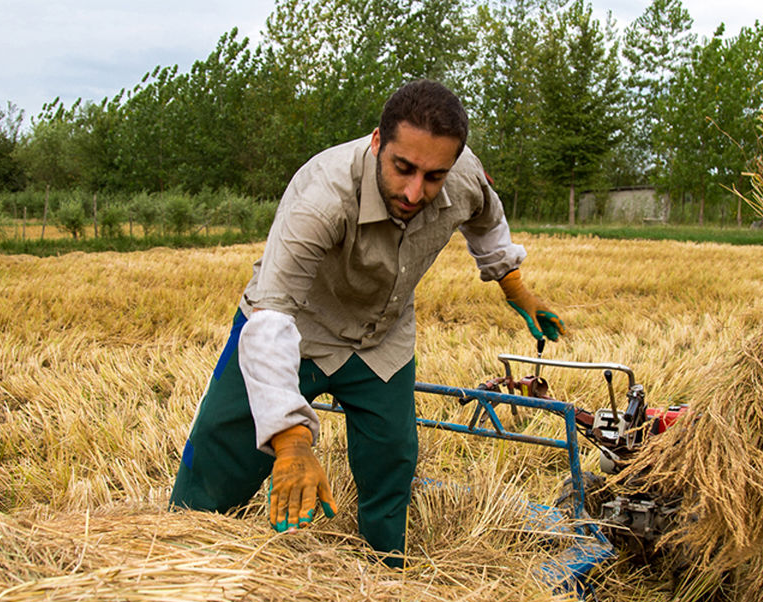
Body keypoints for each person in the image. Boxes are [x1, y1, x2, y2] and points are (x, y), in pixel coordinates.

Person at [170, 79, 565, 567]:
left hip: (381, 340)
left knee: (391, 464)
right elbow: (272, 317)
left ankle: (384, 580)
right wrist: (292, 439)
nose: (415, 190)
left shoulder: (462, 176)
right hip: (298, 333)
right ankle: (178, 559)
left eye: (434, 176)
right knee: (218, 463)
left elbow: (486, 217)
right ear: (378, 142)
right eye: (403, 168)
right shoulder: (322, 194)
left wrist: (514, 286)